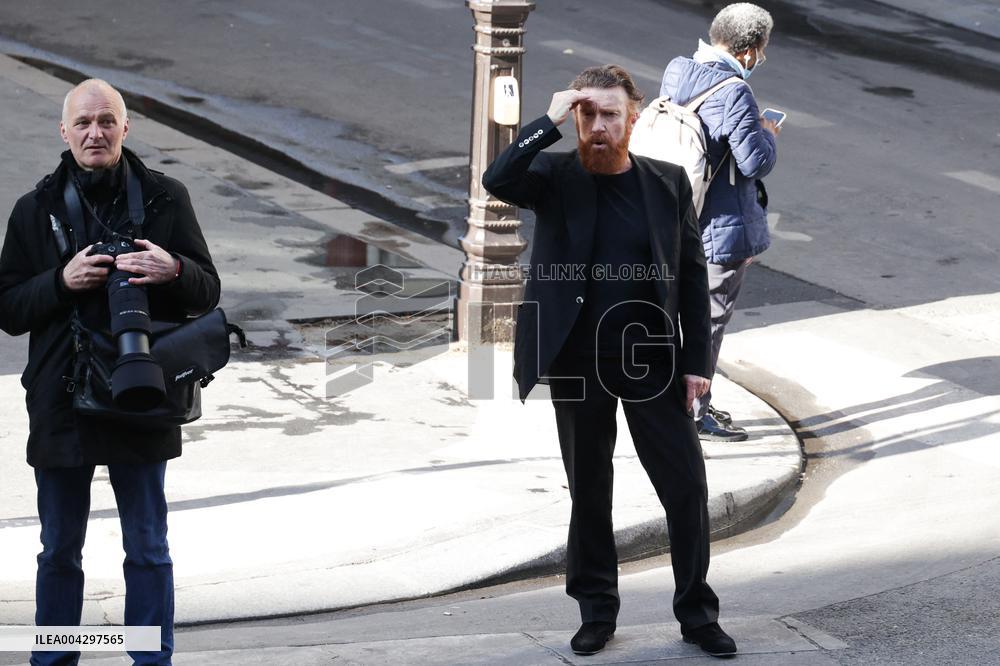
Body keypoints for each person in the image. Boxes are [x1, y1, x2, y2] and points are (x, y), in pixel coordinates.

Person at [484, 65, 736, 658]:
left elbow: (692, 277)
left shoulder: (666, 183)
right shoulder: (553, 175)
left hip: (650, 358)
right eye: (588, 114)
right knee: (590, 490)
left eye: (610, 115)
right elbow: (498, 178)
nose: (599, 126)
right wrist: (547, 121)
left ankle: (697, 614)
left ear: (633, 119)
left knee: (686, 486)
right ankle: (597, 612)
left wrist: (697, 362)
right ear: (575, 118)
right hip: (575, 358)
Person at [0, 79, 220, 666]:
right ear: (64, 131)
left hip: (142, 391)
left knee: (147, 547)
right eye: (83, 123)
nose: (94, 133)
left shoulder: (166, 198)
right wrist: (60, 281)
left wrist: (174, 270)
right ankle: (54, 660)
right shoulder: (36, 209)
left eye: (105, 121)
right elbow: (8, 311)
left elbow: (208, 292)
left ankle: (149, 658)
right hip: (61, 397)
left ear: (125, 127)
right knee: (59, 550)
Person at [659, 2, 780, 442]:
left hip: (678, 214)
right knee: (708, 320)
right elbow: (754, 162)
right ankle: (694, 413)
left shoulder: (678, 70)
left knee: (678, 316)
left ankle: (682, 402)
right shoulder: (735, 92)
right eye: (761, 50)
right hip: (719, 226)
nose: (760, 58)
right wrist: (768, 134)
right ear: (749, 51)